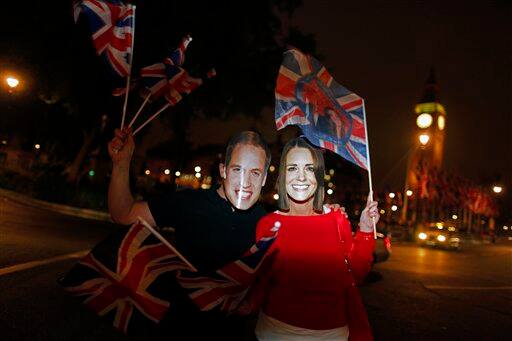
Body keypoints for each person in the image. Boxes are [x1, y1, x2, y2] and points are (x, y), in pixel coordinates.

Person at [107, 128, 271, 338]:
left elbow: (270, 281)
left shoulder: (268, 226)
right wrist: (121, 164)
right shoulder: (189, 203)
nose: (245, 182)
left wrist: (252, 303)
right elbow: (123, 213)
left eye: (255, 173)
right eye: (237, 169)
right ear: (223, 170)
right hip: (176, 328)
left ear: (264, 178)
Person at [253, 137, 379, 341]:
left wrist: (365, 229)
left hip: (332, 335)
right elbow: (258, 285)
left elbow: (357, 275)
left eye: (309, 168)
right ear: (283, 176)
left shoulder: (337, 219)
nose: (301, 177)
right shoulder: (266, 225)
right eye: (292, 168)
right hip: (274, 333)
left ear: (319, 175)